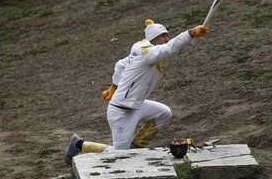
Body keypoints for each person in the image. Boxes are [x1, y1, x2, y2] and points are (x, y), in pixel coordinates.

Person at [64, 19, 209, 164]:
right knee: (119, 155)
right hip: (121, 112)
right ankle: (79, 145)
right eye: (163, 35)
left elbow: (120, 65)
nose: (167, 39)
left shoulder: (141, 50)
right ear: (153, 38)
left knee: (164, 113)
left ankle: (135, 146)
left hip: (136, 105)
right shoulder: (147, 53)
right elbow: (169, 48)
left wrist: (114, 87)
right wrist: (190, 34)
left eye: (167, 35)